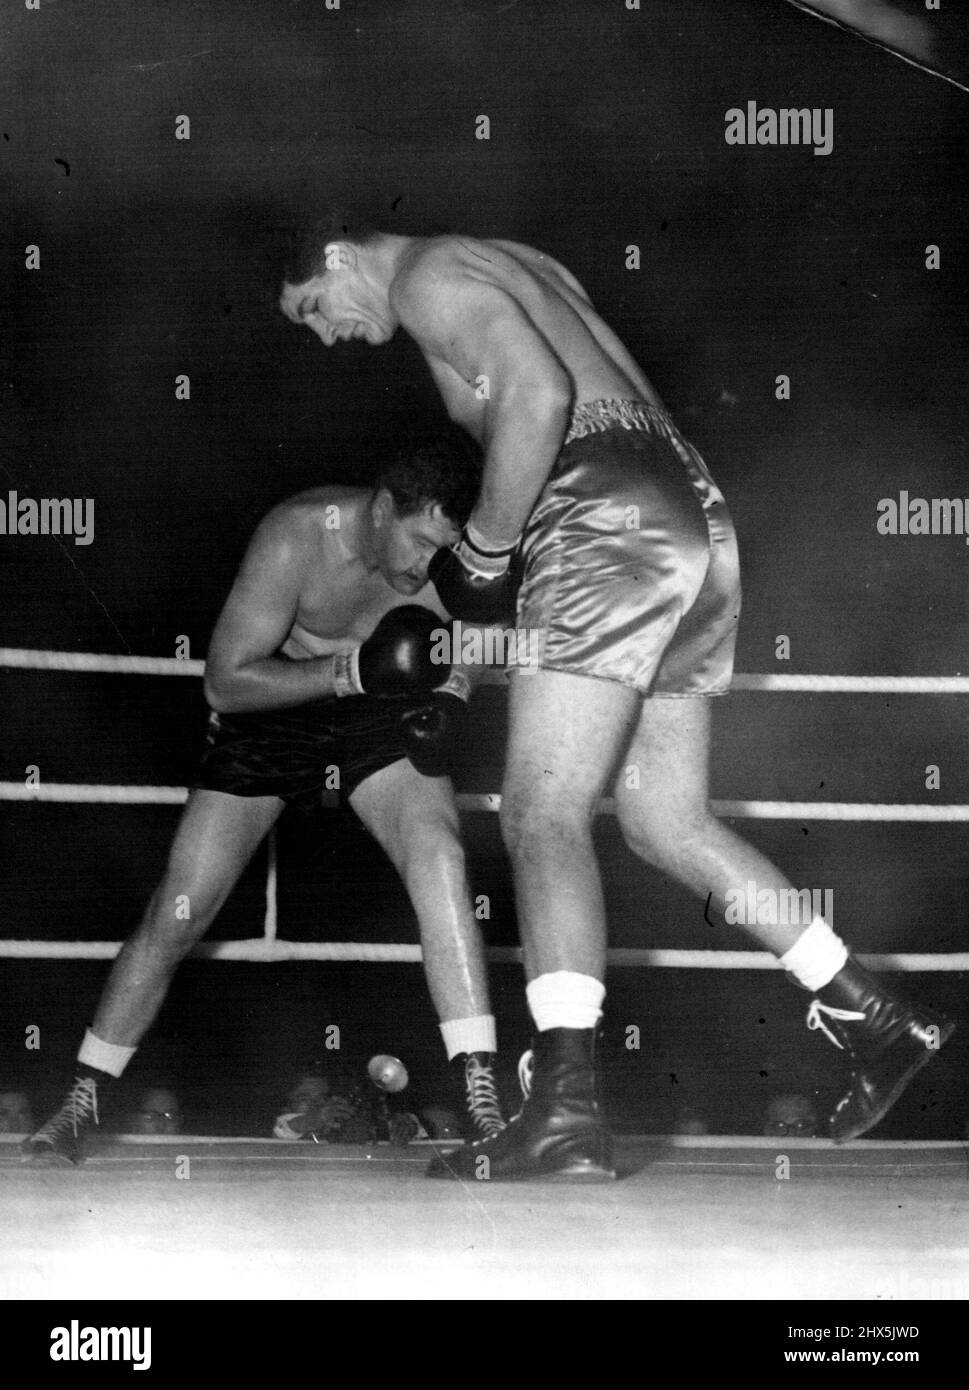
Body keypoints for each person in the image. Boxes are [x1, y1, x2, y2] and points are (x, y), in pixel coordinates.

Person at [280, 216, 954, 1180]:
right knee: (661, 816)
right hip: (689, 511)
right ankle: (870, 1013)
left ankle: (563, 1106)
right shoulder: (512, 261)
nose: (323, 332)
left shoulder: (426, 278)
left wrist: (487, 546)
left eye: (312, 307)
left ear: (339, 255)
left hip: (600, 506)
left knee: (540, 809)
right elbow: (598, 386)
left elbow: (541, 395)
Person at [23, 439, 506, 1166]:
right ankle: (81, 1099)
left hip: (377, 725)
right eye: (420, 543)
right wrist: (350, 669)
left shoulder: (451, 560)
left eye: (443, 552)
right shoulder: (296, 534)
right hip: (276, 717)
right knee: (181, 906)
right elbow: (225, 682)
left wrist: (453, 688)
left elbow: (486, 638)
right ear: (382, 509)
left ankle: (481, 1097)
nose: (424, 568)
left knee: (439, 854)